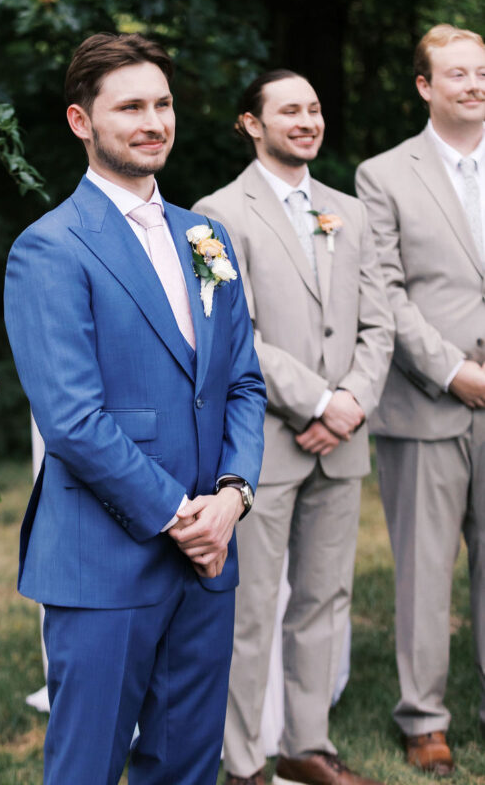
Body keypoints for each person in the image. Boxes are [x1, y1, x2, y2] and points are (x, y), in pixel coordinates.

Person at [4, 32, 267, 785]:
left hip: (210, 555)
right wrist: (182, 516)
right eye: (130, 107)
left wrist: (230, 498)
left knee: (187, 765)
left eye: (162, 103)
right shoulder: (49, 248)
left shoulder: (204, 235)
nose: (153, 121)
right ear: (81, 121)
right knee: (87, 767)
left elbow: (241, 383)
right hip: (105, 557)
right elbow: (72, 421)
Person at [193, 70, 394, 785]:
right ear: (251, 123)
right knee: (250, 608)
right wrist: (316, 402)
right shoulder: (216, 213)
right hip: (264, 445)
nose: (306, 120)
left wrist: (351, 404)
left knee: (324, 598)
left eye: (313, 108)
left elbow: (378, 320)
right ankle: (243, 761)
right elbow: (231, 334)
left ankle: (306, 745)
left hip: (341, 443)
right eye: (289, 110)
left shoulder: (347, 210)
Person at [356, 24, 485, 777]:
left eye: (482, 71)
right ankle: (423, 718)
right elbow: (384, 290)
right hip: (425, 401)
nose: (474, 84)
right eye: (458, 73)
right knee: (424, 569)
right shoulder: (383, 174)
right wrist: (452, 373)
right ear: (423, 87)